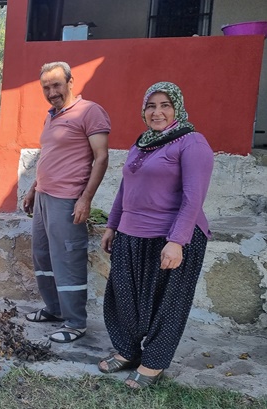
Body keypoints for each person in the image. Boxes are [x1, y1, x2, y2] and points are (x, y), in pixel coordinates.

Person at [98, 82, 213, 388]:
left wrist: (176, 242)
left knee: (168, 304)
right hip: (130, 234)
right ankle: (127, 350)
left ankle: (154, 363)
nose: (157, 112)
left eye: (165, 105)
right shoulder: (142, 143)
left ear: (177, 107)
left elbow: (193, 198)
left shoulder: (192, 143)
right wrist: (112, 225)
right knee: (124, 298)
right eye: (151, 105)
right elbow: (126, 188)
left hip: (171, 237)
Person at [22, 61, 110, 343]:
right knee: (43, 256)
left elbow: (101, 157)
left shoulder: (90, 112)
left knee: (67, 259)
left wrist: (85, 199)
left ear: (71, 82)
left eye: (56, 85)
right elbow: (50, 156)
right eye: (46, 87)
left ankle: (75, 322)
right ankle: (55, 309)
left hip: (68, 200)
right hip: (44, 197)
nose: (51, 92)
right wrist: (33, 187)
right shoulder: (52, 116)